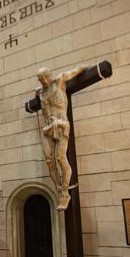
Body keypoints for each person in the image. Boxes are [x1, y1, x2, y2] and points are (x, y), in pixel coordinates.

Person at [35, 65, 87, 210]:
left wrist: (91, 68)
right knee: (49, 161)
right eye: (41, 79)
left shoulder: (60, 80)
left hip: (61, 124)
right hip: (47, 129)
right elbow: (37, 94)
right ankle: (59, 191)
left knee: (60, 158)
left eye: (46, 76)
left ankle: (65, 193)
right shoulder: (40, 92)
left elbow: (78, 70)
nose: (44, 80)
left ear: (50, 74)